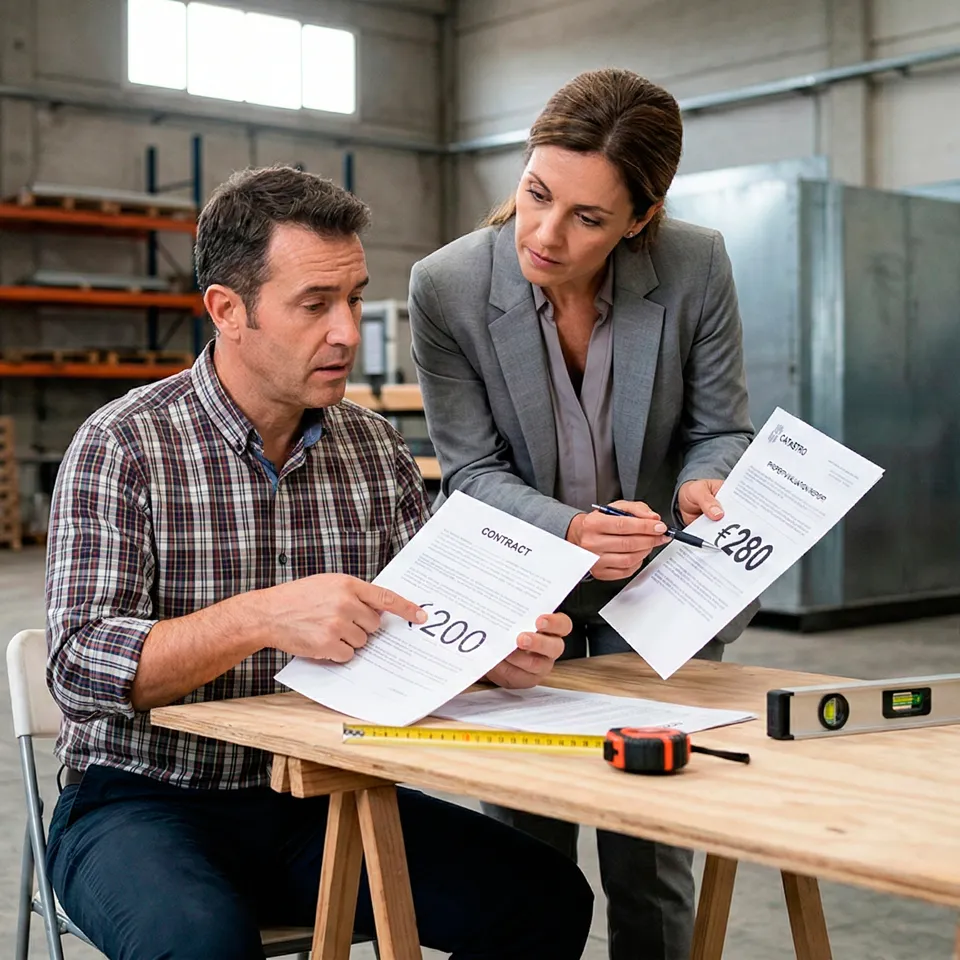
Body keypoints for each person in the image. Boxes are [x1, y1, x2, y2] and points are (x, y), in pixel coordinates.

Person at [43, 165, 594, 960]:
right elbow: (78, 666)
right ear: (227, 310)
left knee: (545, 899)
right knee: (201, 943)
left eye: (354, 299)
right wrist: (260, 618)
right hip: (142, 801)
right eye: (314, 305)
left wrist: (488, 657)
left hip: (324, 798)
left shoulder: (373, 448)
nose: (347, 331)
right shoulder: (122, 444)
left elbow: (421, 626)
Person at [408, 69, 758, 960]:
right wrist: (568, 529)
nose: (545, 235)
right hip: (526, 594)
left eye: (588, 218)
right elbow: (471, 473)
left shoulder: (694, 264)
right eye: (536, 194)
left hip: (660, 592)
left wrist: (705, 481)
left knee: (651, 859)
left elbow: (721, 429)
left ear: (641, 219)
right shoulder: (446, 286)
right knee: (523, 854)